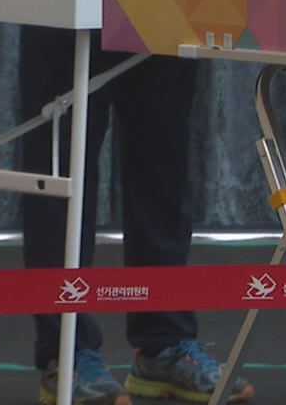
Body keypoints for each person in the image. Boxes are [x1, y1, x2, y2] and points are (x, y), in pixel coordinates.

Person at [18, 25, 253, 404]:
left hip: (161, 3)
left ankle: (164, 346)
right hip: (69, 5)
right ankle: (65, 355)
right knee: (61, 180)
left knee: (164, 177)